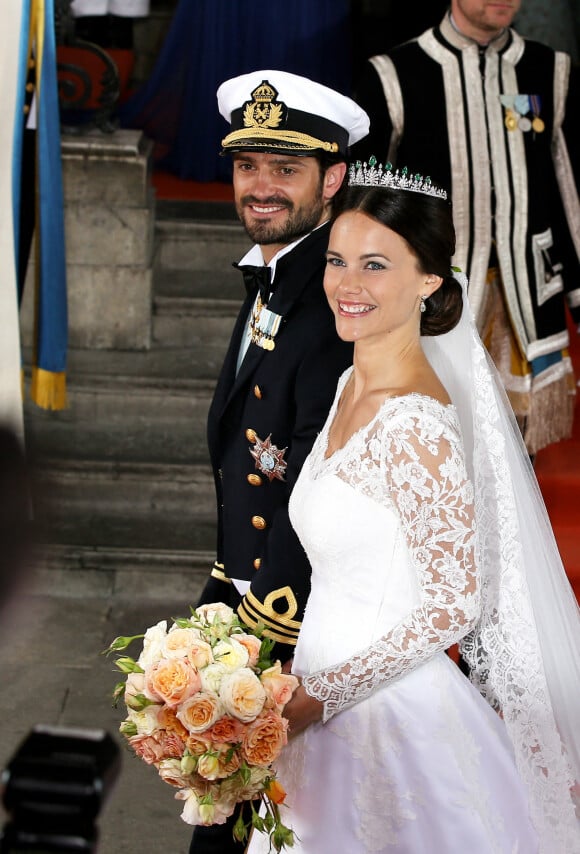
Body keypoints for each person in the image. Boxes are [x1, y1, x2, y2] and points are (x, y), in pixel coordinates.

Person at [247, 163, 580, 853]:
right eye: (338, 260)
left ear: (428, 282)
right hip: (311, 690)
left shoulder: (417, 424)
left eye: (375, 265)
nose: (346, 284)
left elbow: (456, 602)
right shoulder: (346, 383)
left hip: (389, 718)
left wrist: (320, 697)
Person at [190, 70, 369, 854]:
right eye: (247, 166)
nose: (260, 187)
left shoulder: (332, 297)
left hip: (288, 610)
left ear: (332, 178)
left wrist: (260, 636)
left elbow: (320, 479)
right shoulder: (278, 271)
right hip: (244, 584)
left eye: (285, 169)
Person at [351, 0, 580, 457]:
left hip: (526, 295)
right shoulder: (396, 72)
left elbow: (570, 189)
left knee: (517, 449)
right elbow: (364, 205)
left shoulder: (550, 70)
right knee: (432, 439)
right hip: (432, 295)